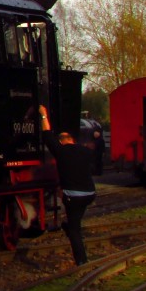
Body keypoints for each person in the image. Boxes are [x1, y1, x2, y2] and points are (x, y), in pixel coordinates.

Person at [39, 105, 97, 265]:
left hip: (73, 196)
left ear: (62, 141)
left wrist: (43, 115)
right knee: (74, 221)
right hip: (89, 194)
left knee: (74, 230)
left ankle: (81, 261)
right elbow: (97, 154)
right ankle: (68, 225)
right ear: (73, 140)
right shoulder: (85, 151)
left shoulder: (60, 150)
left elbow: (46, 134)